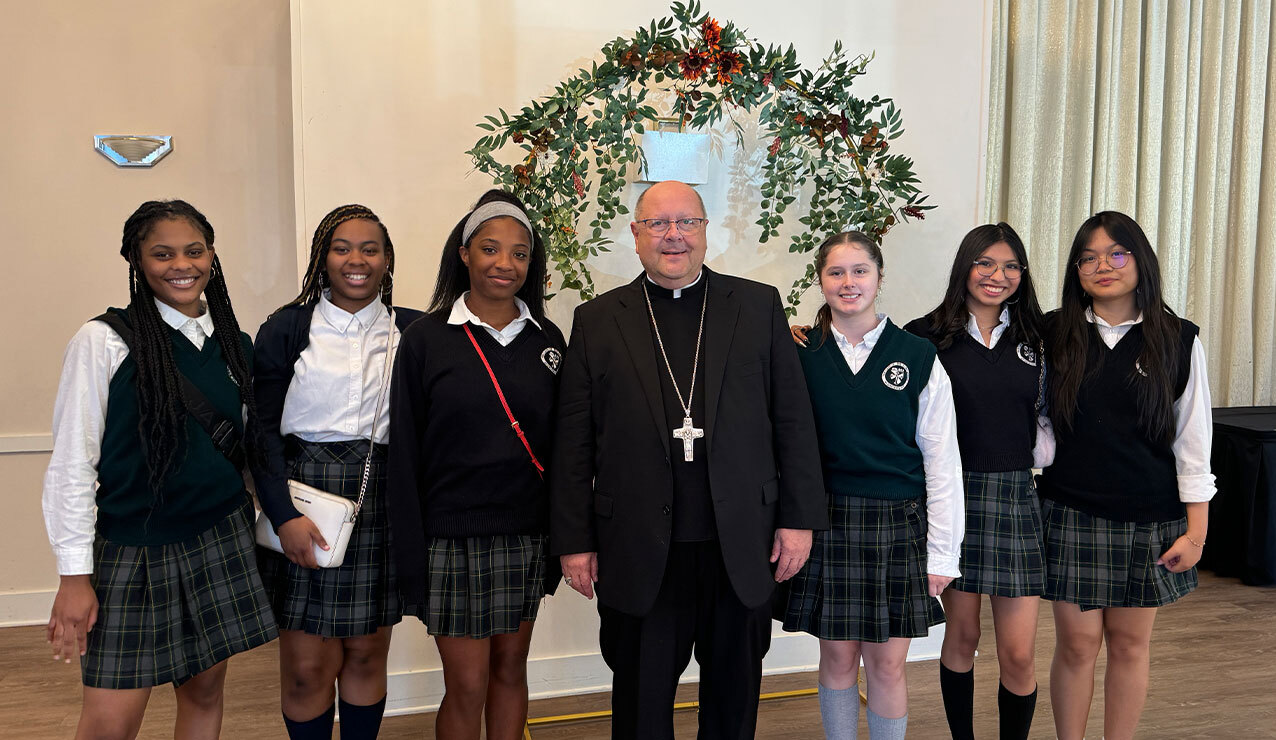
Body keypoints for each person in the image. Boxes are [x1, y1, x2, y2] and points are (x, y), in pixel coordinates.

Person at [551, 179, 827, 739]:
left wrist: (799, 520)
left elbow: (793, 422)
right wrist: (575, 541)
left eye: (686, 223)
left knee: (732, 705)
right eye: (657, 223)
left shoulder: (756, 305)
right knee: (641, 705)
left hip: (741, 544)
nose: (672, 236)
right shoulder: (598, 320)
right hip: (638, 546)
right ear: (634, 235)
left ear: (706, 233)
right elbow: (574, 442)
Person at [42, 199, 276, 740]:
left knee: (204, 694)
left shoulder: (234, 346)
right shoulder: (103, 341)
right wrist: (74, 578)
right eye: (162, 253)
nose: (181, 265)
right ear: (137, 261)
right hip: (132, 551)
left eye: (194, 251)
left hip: (219, 539)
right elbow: (72, 465)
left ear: (212, 257)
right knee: (109, 722)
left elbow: (243, 450)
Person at [386, 190, 565, 740]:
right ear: (464, 253)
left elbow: (564, 450)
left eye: (519, 254)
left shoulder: (548, 340)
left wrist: (562, 539)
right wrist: (412, 553)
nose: (504, 264)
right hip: (452, 540)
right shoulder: (425, 340)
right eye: (490, 248)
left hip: (526, 536)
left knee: (512, 672)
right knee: (466, 684)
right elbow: (406, 454)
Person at [1037, 211, 1214, 740]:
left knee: (1131, 645)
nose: (1103, 266)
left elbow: (1193, 442)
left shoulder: (1178, 339)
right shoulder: (1052, 332)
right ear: (1075, 270)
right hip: (1070, 510)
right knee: (1076, 645)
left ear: (1140, 261)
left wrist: (1196, 531)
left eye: (1117, 253)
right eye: (1088, 257)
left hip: (1150, 516)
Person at [783, 230, 963, 739]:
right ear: (820, 280)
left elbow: (942, 462)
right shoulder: (800, 352)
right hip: (827, 521)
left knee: (887, 665)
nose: (848, 282)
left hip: (898, 525)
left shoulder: (919, 355)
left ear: (879, 277)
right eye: (835, 272)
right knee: (837, 659)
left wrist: (942, 554)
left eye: (860, 270)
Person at [252, 204, 421, 739]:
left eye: (370, 248)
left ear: (387, 259)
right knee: (306, 670)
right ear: (323, 258)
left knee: (368, 655)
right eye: (342, 247)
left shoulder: (413, 331)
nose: (356, 259)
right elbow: (260, 430)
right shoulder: (287, 326)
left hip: (381, 500)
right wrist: (281, 516)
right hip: (304, 501)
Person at [901, 223, 1047, 740]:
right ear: (964, 267)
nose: (997, 276)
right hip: (951, 499)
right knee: (961, 638)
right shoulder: (923, 337)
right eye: (984, 263)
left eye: (1010, 266)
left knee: (1019, 651)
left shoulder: (1039, 338)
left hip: (1015, 499)